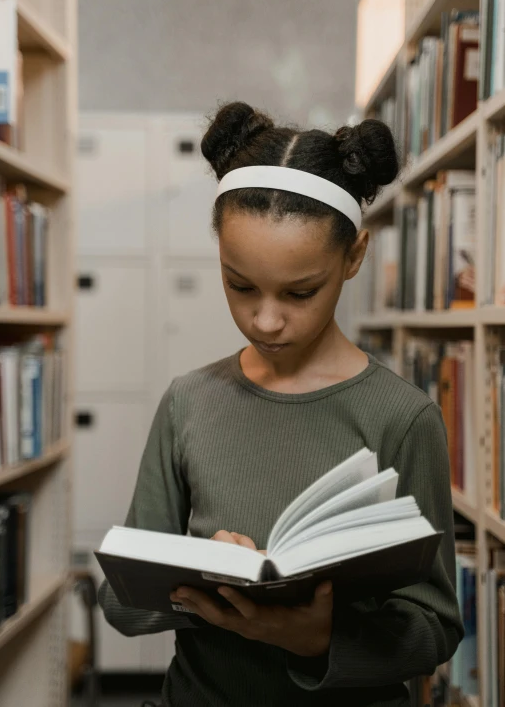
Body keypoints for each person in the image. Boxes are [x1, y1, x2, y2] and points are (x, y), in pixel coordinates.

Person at [99, 102, 463, 707]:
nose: (265, 320)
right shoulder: (189, 402)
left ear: (354, 257)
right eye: (239, 285)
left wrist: (319, 639)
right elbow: (121, 603)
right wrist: (200, 580)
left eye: (300, 292)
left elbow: (436, 625)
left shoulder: (403, 417)